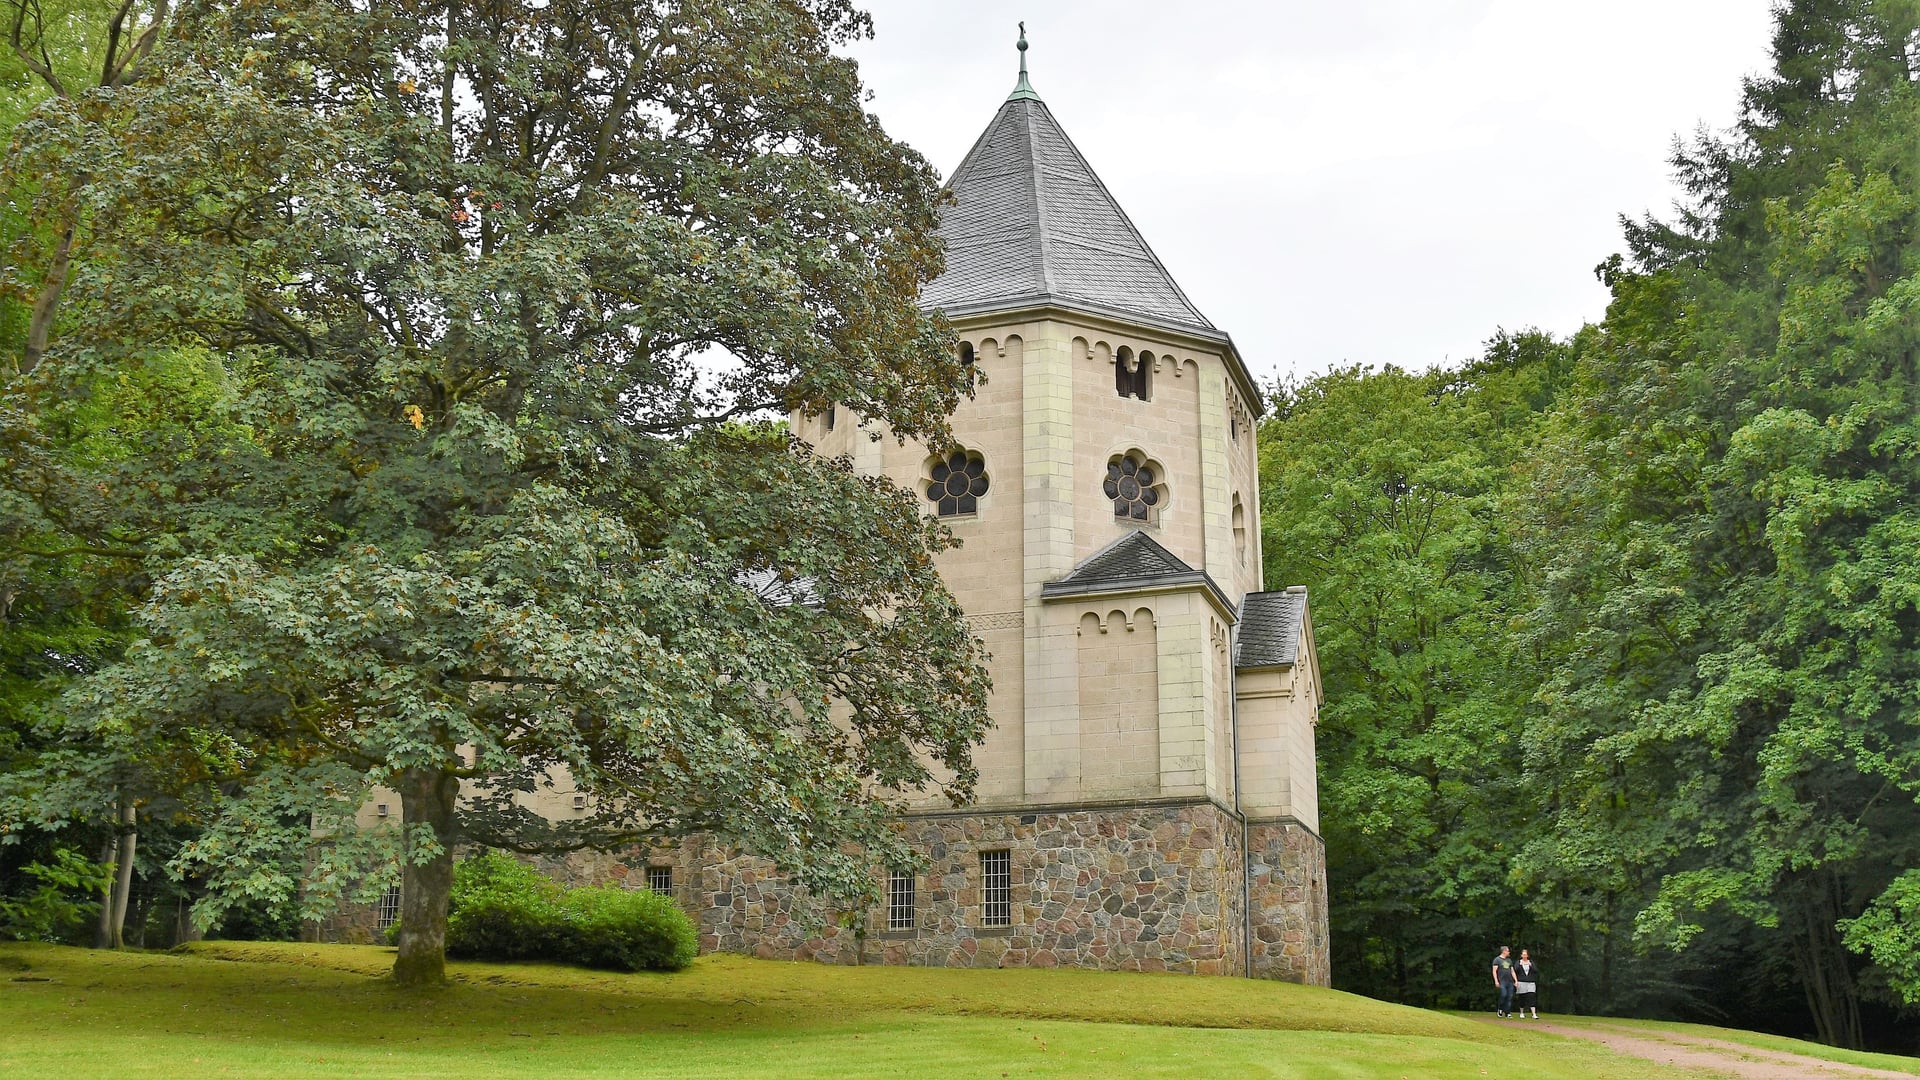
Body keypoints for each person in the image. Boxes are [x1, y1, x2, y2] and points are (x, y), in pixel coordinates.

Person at [1491, 945, 1517, 1017]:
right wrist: (1496, 981)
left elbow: (1512, 971)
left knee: (1509, 997)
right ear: (1504, 951)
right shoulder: (1497, 960)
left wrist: (1516, 980)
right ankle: (1500, 1009)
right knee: (1503, 995)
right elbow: (1494, 971)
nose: (1509, 952)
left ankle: (1507, 1012)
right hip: (1502, 981)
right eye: (1508, 951)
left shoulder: (1509, 960)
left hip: (1510, 981)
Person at [1514, 950, 1541, 1019]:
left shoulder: (1531, 962)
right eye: (1523, 955)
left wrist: (1530, 965)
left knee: (1531, 997)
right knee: (1522, 998)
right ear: (1521, 955)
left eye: (1525, 955)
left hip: (1530, 982)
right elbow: (1515, 970)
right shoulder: (1518, 962)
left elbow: (1536, 970)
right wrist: (1520, 965)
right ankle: (1521, 1013)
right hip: (1521, 982)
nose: (1524, 956)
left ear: (1527, 955)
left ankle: (1534, 1014)